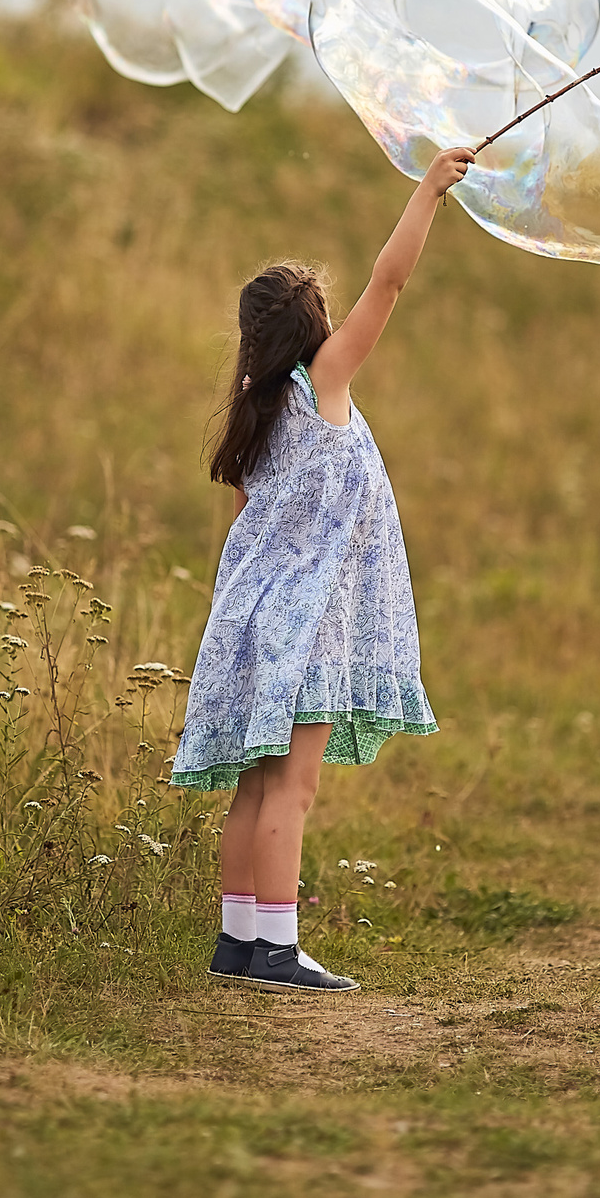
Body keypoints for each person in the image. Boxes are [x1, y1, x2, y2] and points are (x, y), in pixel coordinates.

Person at [173, 146, 475, 993]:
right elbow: (390, 285)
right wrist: (426, 194)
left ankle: (237, 941)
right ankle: (276, 951)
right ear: (313, 333)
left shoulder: (257, 412)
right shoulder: (323, 385)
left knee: (255, 785)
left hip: (253, 616)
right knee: (292, 791)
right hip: (304, 623)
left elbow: (243, 528)